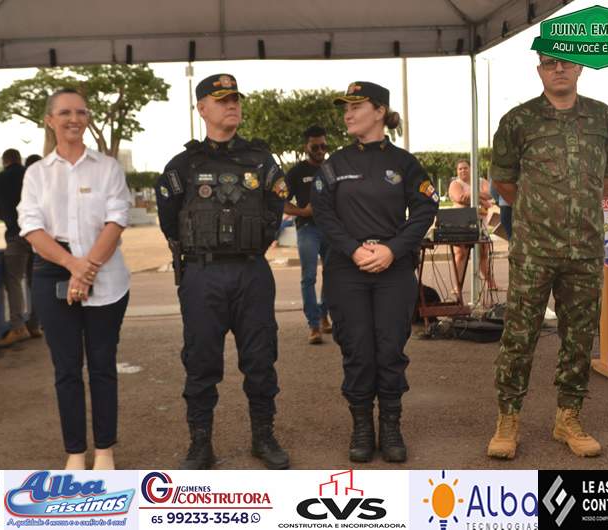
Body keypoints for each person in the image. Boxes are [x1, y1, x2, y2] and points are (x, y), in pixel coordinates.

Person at [487, 54, 608, 459]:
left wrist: (577, 209)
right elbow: (504, 181)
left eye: (566, 62)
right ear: (539, 70)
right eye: (550, 63)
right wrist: (540, 212)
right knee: (519, 337)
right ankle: (508, 419)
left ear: (580, 67)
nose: (559, 69)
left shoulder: (602, 117)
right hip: (534, 251)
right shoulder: (518, 121)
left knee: (579, 338)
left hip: (585, 249)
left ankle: (569, 417)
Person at [155, 73, 289, 470]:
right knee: (200, 362)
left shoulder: (262, 160)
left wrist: (250, 243)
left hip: (251, 272)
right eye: (222, 99)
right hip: (202, 274)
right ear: (202, 108)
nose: (232, 105)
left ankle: (263, 437)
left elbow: (275, 210)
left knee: (261, 360)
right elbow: (169, 219)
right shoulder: (183, 164)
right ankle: (200, 444)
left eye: (236, 99)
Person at [311, 81, 438, 463]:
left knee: (389, 348)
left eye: (356, 106)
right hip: (346, 269)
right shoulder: (334, 164)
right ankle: (362, 427)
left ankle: (392, 426)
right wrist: (353, 249)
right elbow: (323, 214)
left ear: (380, 111)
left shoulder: (404, 163)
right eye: (345, 108)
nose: (347, 114)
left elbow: (425, 208)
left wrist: (393, 249)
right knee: (357, 349)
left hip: (392, 269)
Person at [18, 88, 131, 470]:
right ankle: (75, 452)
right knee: (66, 368)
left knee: (102, 365)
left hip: (105, 268)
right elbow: (31, 227)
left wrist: (87, 267)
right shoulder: (37, 173)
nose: (74, 119)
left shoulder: (107, 167)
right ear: (50, 120)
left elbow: (117, 219)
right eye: (65, 112)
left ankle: (105, 450)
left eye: (81, 112)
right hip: (53, 268)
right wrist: (72, 265)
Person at [0, 148, 41, 346]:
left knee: (14, 281)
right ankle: (35, 325)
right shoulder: (32, 175)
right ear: (19, 159)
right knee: (36, 281)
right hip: (39, 236)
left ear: (4, 162)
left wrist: (10, 218)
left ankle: (18, 328)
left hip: (15, 235)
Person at [285, 125, 332, 344]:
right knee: (309, 277)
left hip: (332, 229)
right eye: (315, 147)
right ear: (306, 147)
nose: (320, 150)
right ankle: (314, 325)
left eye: (324, 146)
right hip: (308, 229)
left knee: (332, 275)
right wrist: (303, 212)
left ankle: (324, 315)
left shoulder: (332, 169)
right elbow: (279, 201)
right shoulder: (296, 173)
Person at [448, 159, 497, 291]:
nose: (463, 170)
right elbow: (460, 198)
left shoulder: (481, 181)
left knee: (483, 254)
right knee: (460, 254)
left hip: (480, 224)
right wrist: (481, 200)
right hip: (461, 224)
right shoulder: (455, 184)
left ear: (470, 169)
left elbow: (490, 194)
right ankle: (457, 286)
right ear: (457, 171)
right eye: (460, 169)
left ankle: (490, 283)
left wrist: (472, 194)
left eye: (465, 168)